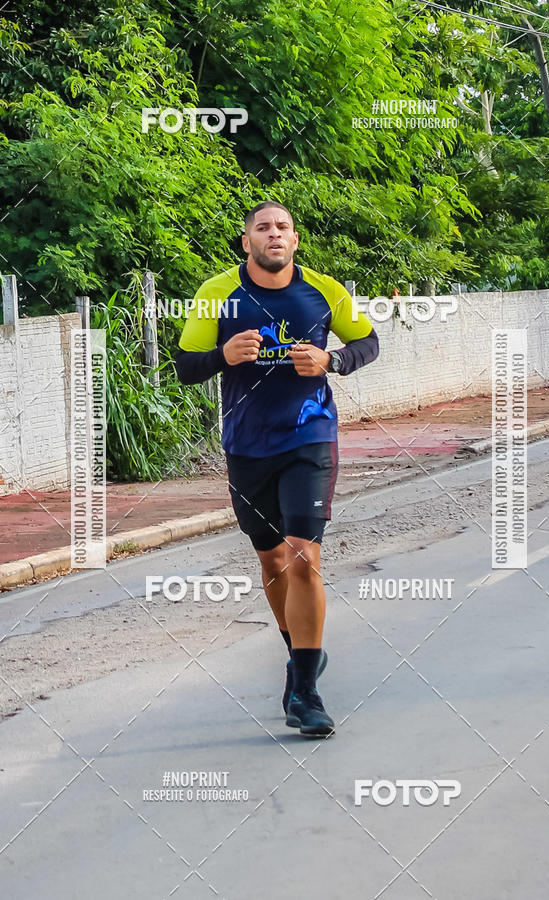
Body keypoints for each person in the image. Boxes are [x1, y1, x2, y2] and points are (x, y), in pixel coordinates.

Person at [175, 201, 379, 736]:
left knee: (302, 557)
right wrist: (224, 355)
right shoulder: (216, 294)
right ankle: (301, 658)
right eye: (262, 228)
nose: (274, 235)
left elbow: (368, 341)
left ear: (295, 239)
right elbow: (184, 367)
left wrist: (332, 360)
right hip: (246, 445)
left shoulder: (324, 289)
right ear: (247, 242)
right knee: (272, 566)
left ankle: (306, 694)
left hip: (310, 436)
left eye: (282, 227)